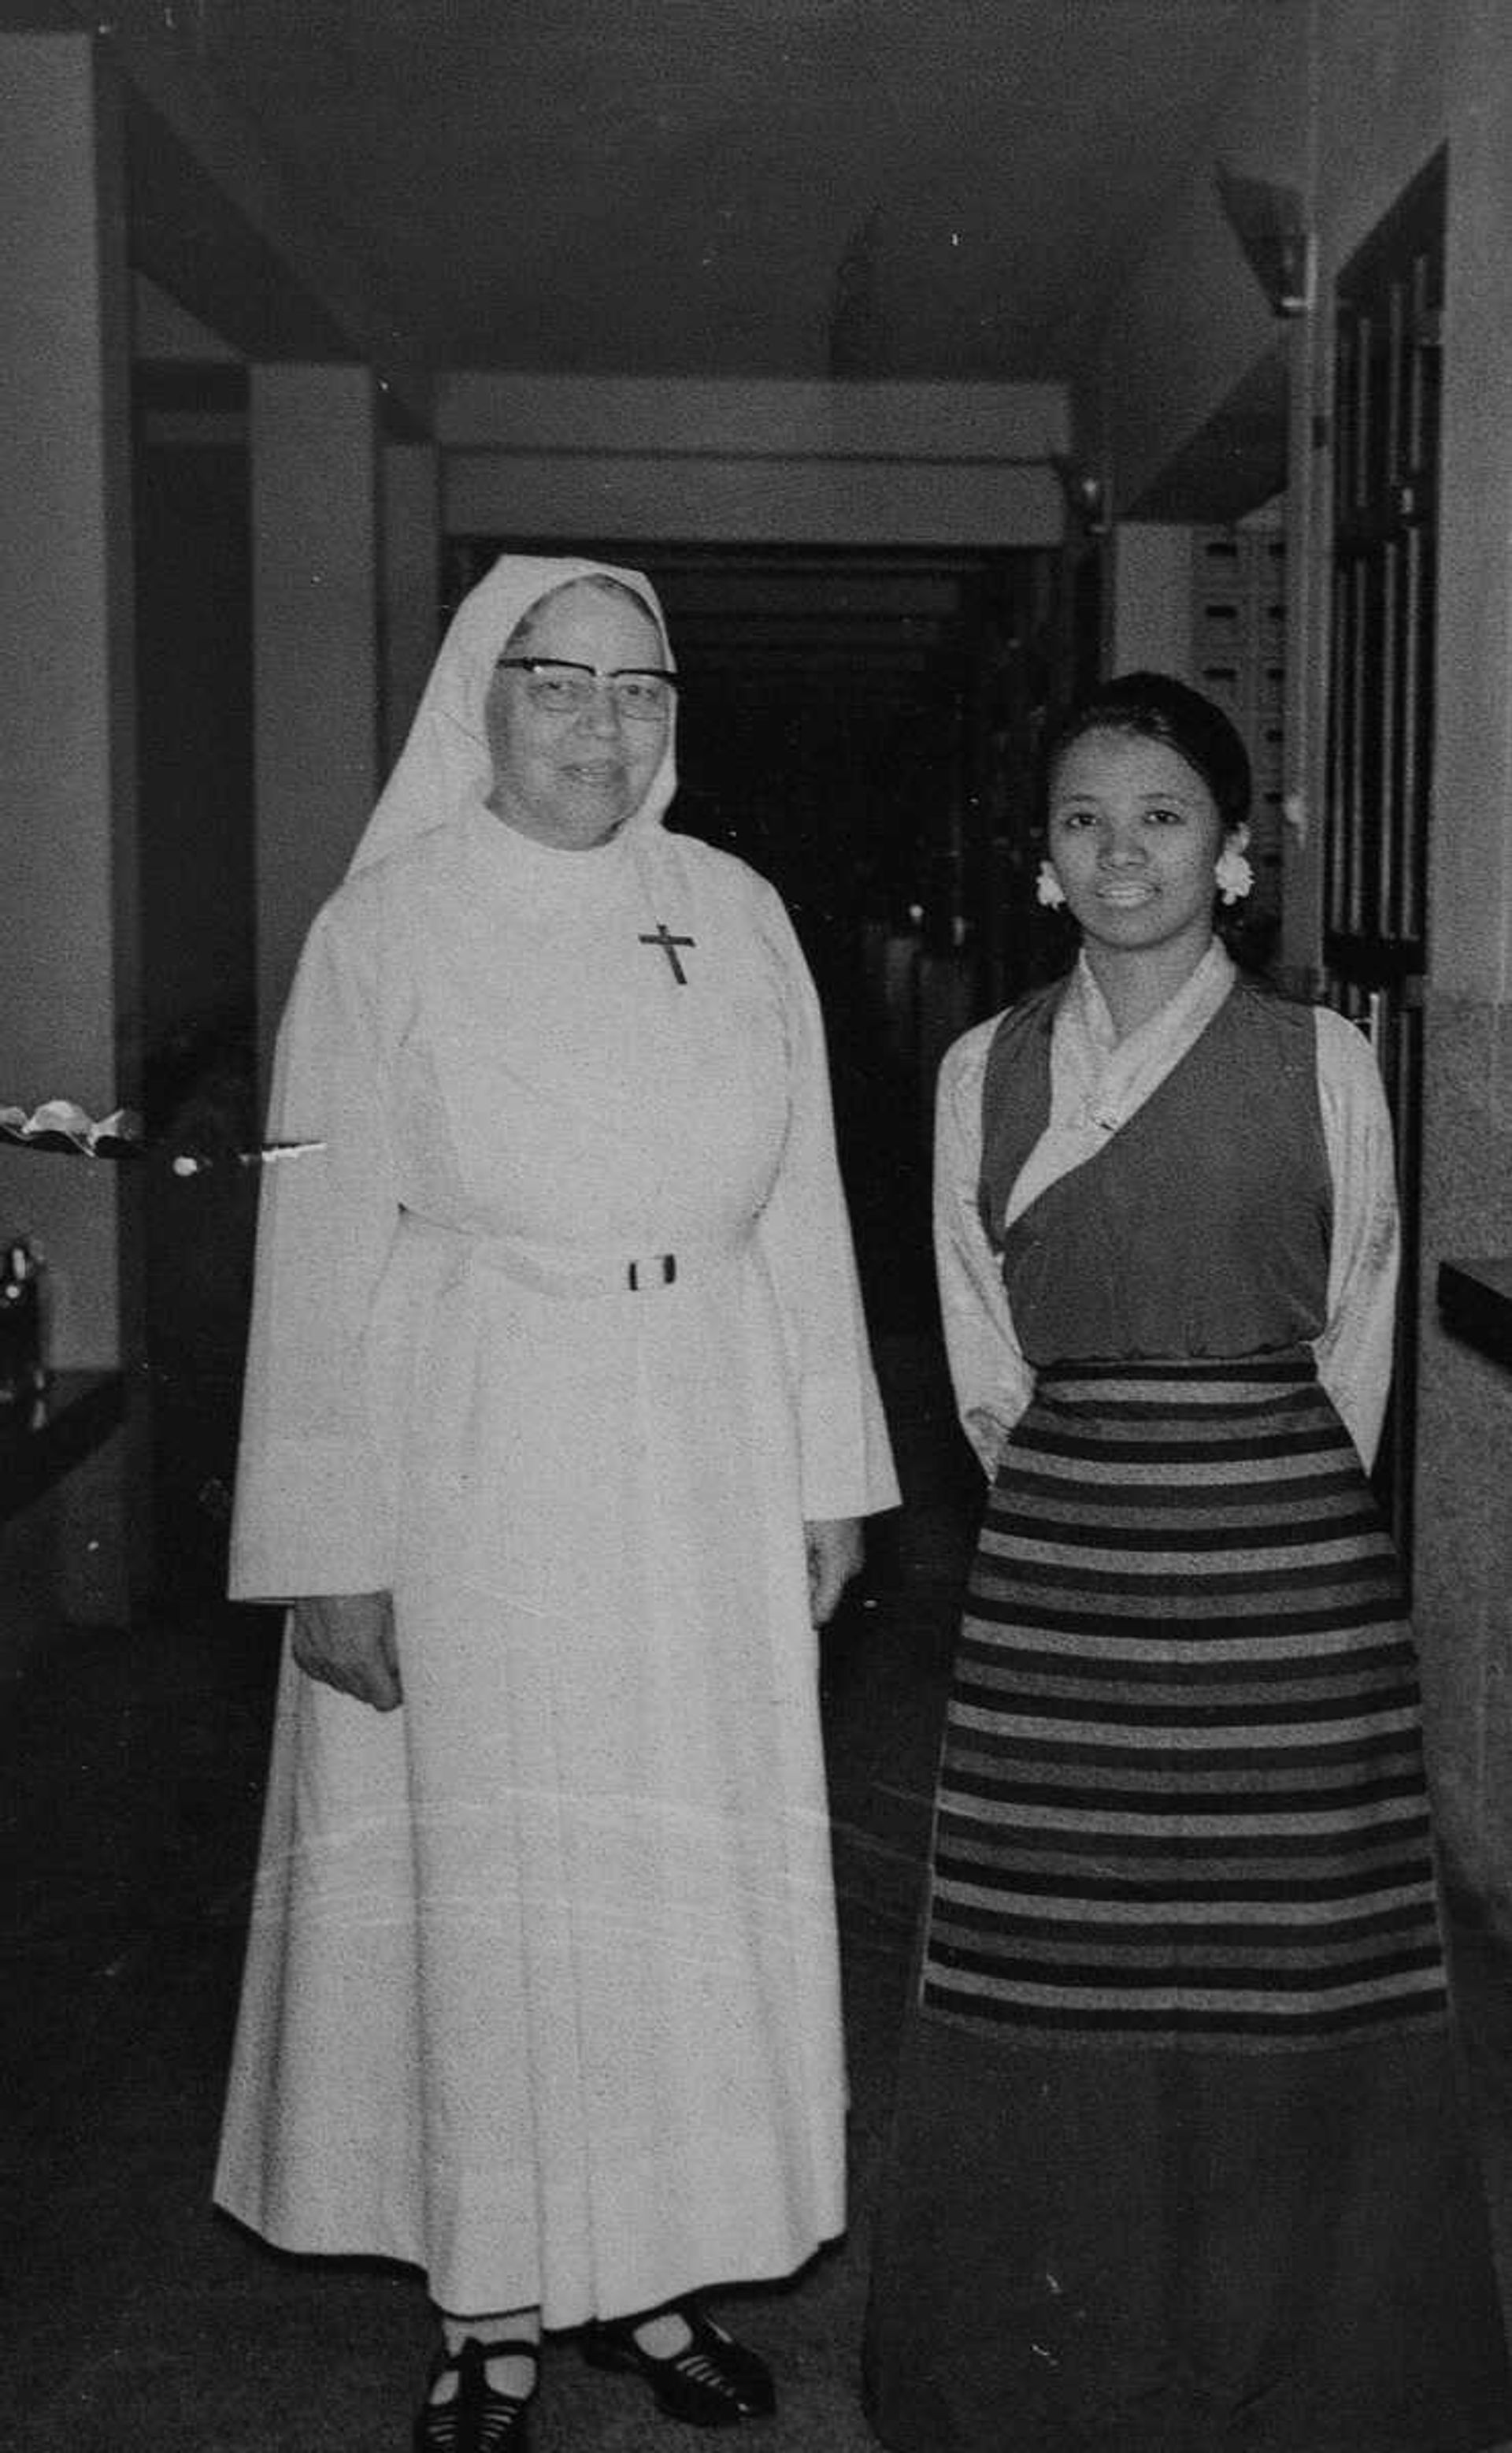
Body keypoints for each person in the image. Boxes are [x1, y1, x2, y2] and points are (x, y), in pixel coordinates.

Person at [215, 552, 899, 2451]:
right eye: (558, 685)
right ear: (480, 699)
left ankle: (656, 2272)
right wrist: (325, 1550)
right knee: (502, 1868)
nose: (603, 728)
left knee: (670, 1869)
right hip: (479, 1438)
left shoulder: (734, 912)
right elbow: (322, 1246)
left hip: (699, 1440)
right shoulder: (387, 928)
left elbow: (807, 1216)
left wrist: (832, 1475)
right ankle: (493, 2301)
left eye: (640, 691)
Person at [863, 673, 1510, 2453]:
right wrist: (1092, 1484)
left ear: (1235, 857)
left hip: (1283, 1568)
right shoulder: (980, 1071)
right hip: (1062, 1560)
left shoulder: (1322, 1061)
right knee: (1042, 1965)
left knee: (1292, 1967)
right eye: (1085, 819)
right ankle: (1053, 2364)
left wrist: (1262, 1503)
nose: (1121, 850)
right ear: (1046, 863)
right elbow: (982, 1354)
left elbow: (1362, 1339)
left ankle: (1306, 2364)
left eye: (1162, 817)